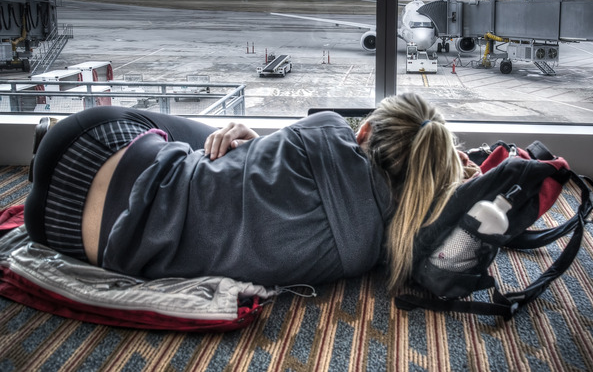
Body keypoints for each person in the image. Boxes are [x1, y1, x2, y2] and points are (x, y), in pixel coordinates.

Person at [25, 93, 464, 292]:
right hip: (62, 233)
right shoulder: (372, 252)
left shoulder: (329, 128)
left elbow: (280, 176)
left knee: (213, 143)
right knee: (232, 158)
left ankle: (40, 141)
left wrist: (252, 147)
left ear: (364, 130)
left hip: (84, 144)